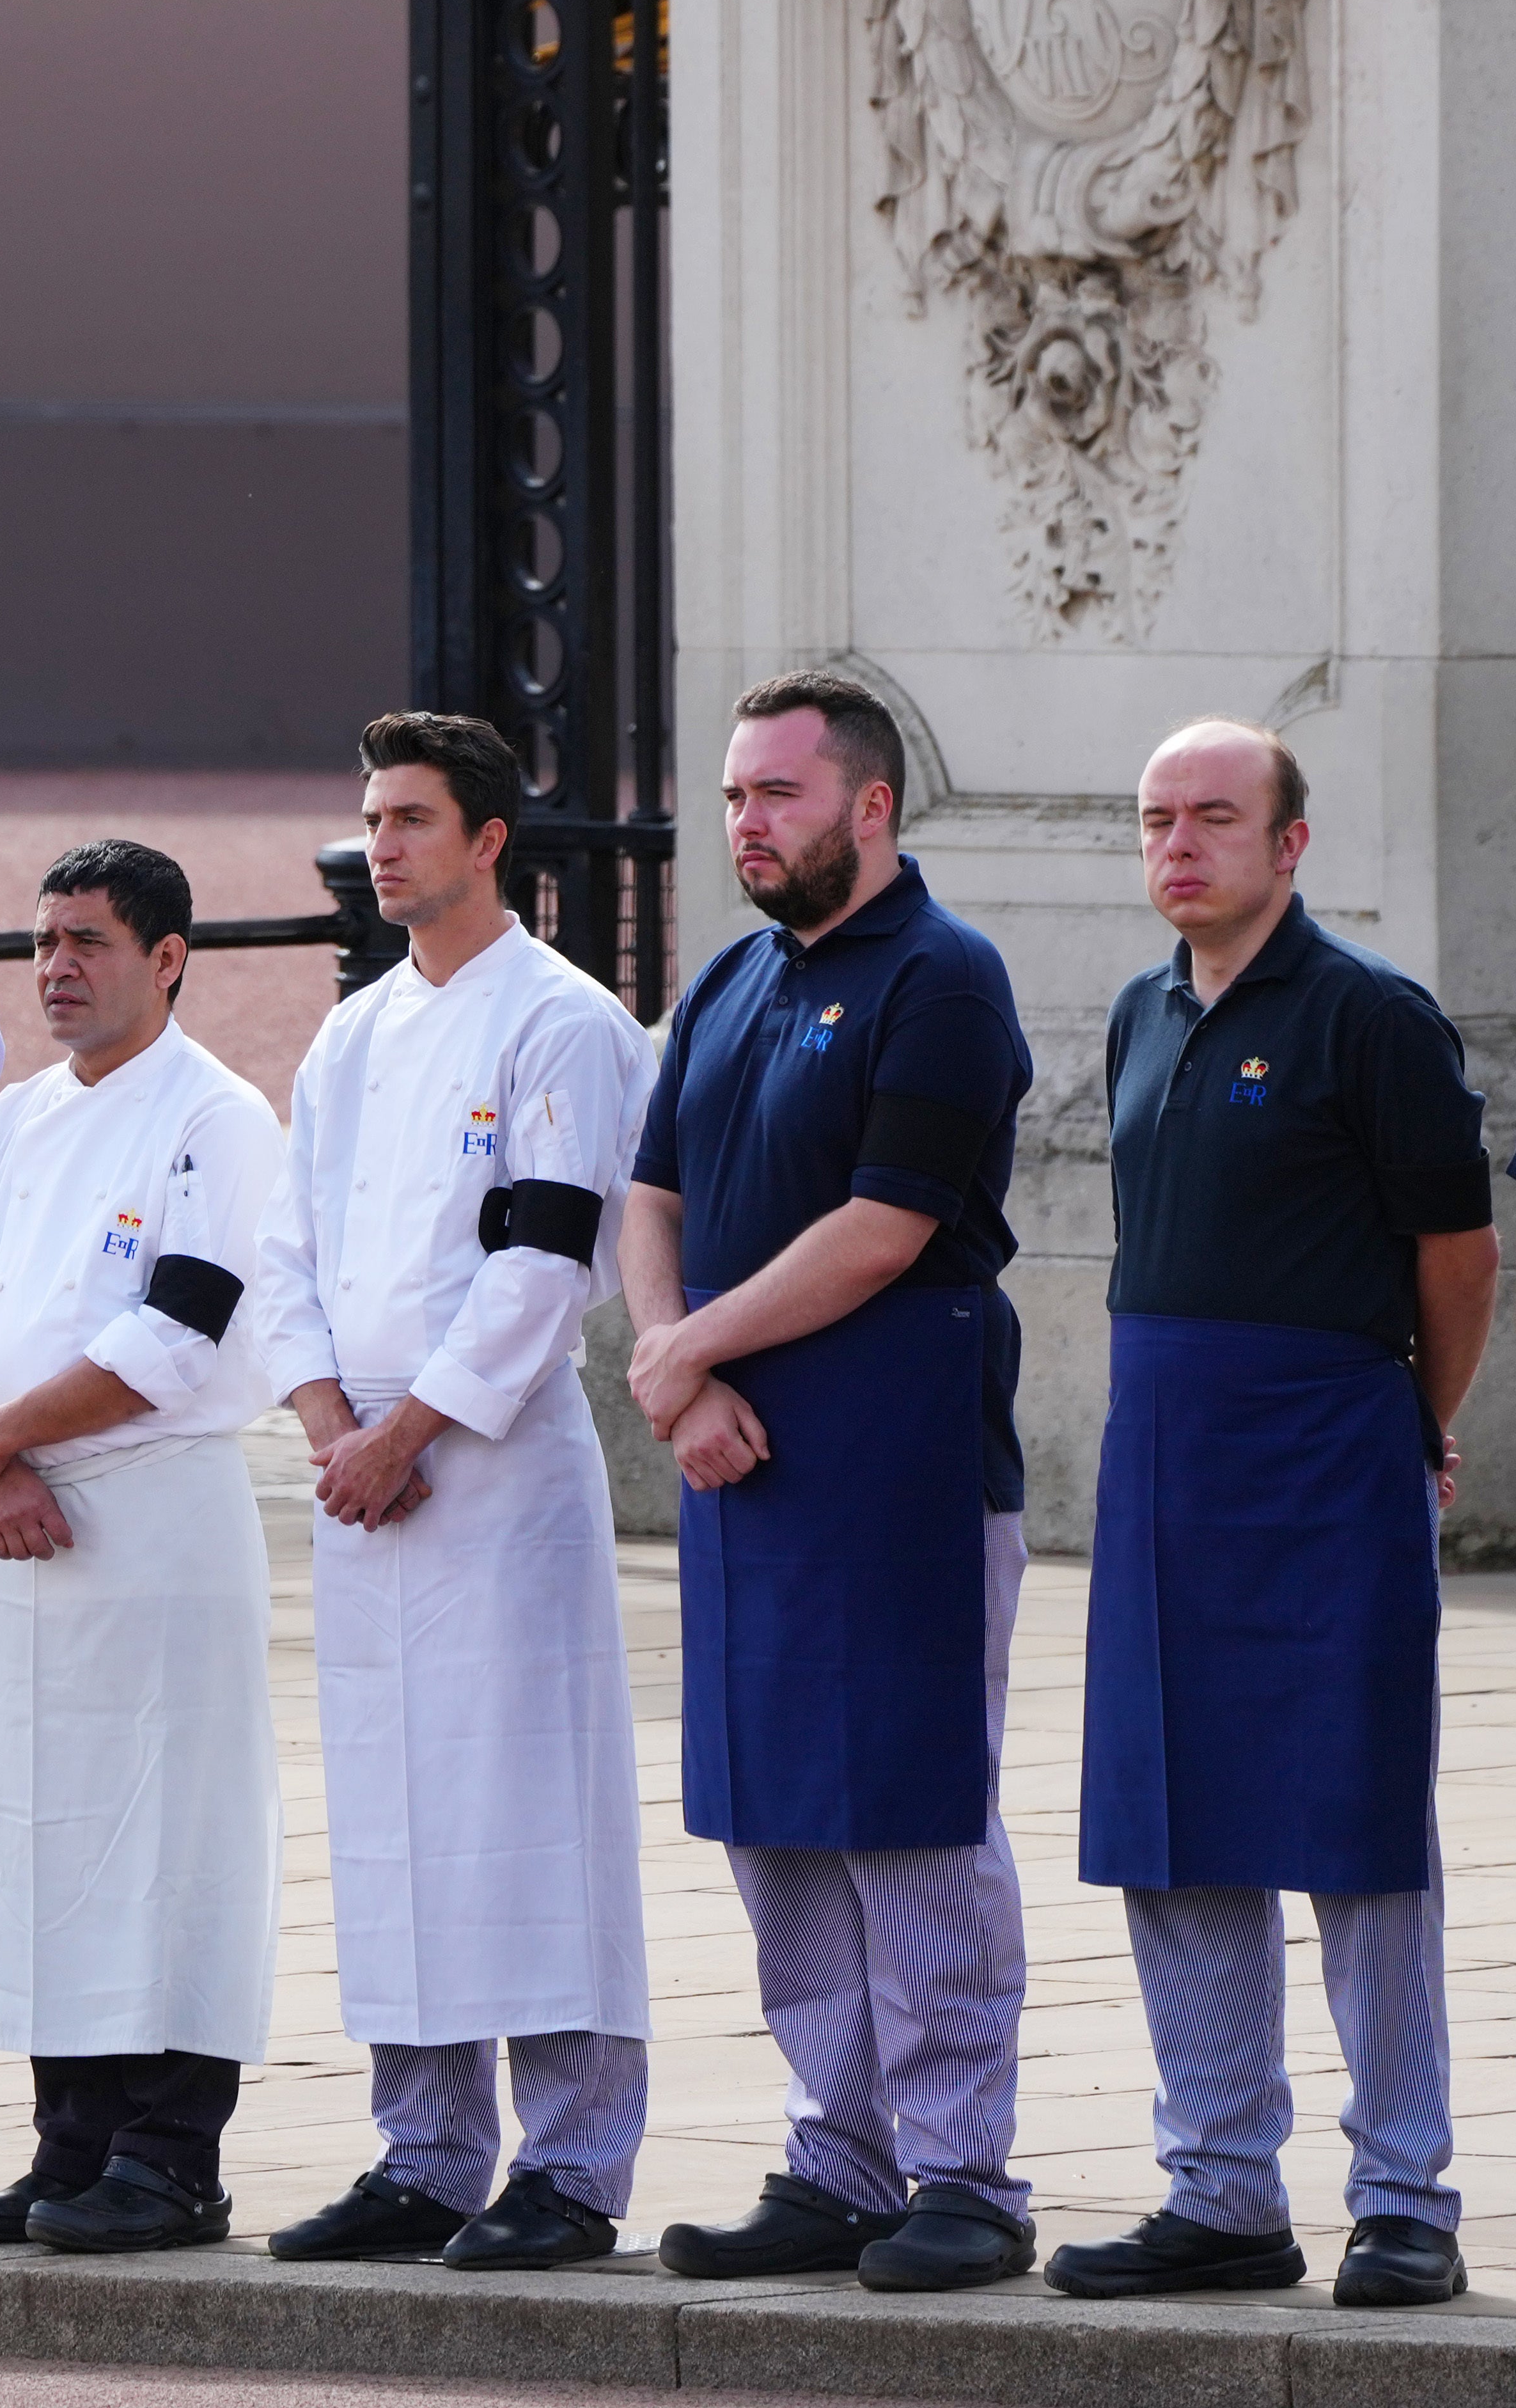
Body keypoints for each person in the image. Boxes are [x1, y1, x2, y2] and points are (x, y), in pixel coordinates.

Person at [1051, 720, 1492, 2312]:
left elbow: (1455, 1261)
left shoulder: (1369, 1018)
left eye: (1213, 819)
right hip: (1165, 1467)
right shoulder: (1135, 1015)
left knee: (1357, 1830)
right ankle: (1219, 2188)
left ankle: (1401, 2193)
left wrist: (1411, 1426)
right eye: (1155, 818)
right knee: (1168, 1830)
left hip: (1324, 1461)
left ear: (1288, 844)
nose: (1177, 845)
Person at [620, 672, 1040, 2294]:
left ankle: (963, 2177)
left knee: (910, 1813)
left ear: (868, 808)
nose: (744, 822)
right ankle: (836, 2157)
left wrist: (684, 1356)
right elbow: (647, 1193)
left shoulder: (940, 978)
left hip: (897, 1462)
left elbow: (885, 1225)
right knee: (773, 1821)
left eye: (776, 795)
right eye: (732, 796)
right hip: (738, 1464)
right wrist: (682, 1369)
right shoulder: (725, 983)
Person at [257, 713, 659, 2274]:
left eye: (411, 819)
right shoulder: (351, 1036)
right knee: (393, 1820)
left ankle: (570, 2161)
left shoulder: (559, 1025)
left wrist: (406, 1430)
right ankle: (422, 2152)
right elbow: (285, 1254)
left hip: (487, 1479)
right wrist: (320, 1424)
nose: (380, 846)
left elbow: (545, 1263)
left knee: (529, 1815)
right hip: (357, 1482)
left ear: (489, 840)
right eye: (370, 818)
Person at [0, 842, 286, 2258]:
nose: (57, 968)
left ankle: (173, 2151)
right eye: (44, 943)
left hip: (158, 1512)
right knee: (54, 1835)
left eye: (90, 943)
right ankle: (71, 2140)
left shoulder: (220, 1117)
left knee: (176, 1836)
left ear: (169, 956)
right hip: (31, 1529)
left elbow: (174, 1333)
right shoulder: (9, 1124)